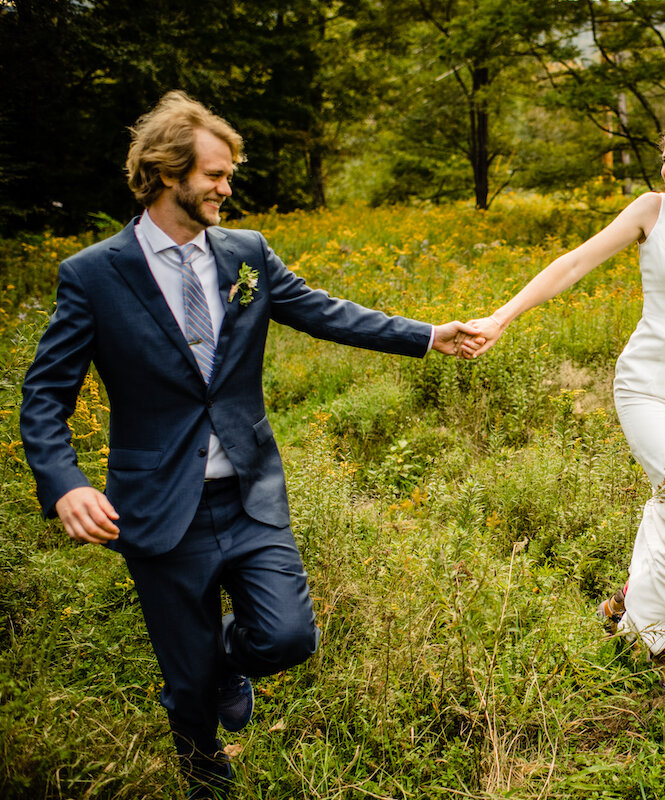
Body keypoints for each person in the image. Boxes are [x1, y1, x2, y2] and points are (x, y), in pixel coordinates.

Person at [19, 91, 478, 798]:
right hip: (157, 504)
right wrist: (65, 482)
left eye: (228, 174)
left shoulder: (245, 253)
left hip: (248, 490)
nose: (227, 188)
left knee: (288, 636)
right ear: (169, 175)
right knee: (185, 676)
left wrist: (426, 334)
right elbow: (45, 394)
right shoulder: (93, 275)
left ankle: (222, 667)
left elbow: (324, 311)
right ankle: (203, 767)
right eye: (215, 175)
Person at [460, 115, 665, 694]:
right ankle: (663, 639)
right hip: (647, 385)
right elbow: (574, 265)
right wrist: (501, 317)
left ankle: (624, 602)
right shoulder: (649, 211)